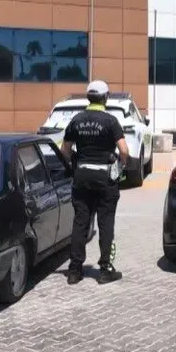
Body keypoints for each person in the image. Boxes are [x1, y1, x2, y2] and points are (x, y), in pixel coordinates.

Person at [61, 80, 130, 285]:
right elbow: (124, 150)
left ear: (88, 97)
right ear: (106, 97)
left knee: (80, 222)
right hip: (105, 178)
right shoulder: (110, 121)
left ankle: (74, 271)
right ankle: (105, 270)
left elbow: (65, 150)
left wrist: (75, 164)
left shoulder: (77, 120)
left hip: (82, 177)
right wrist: (120, 165)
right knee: (105, 222)